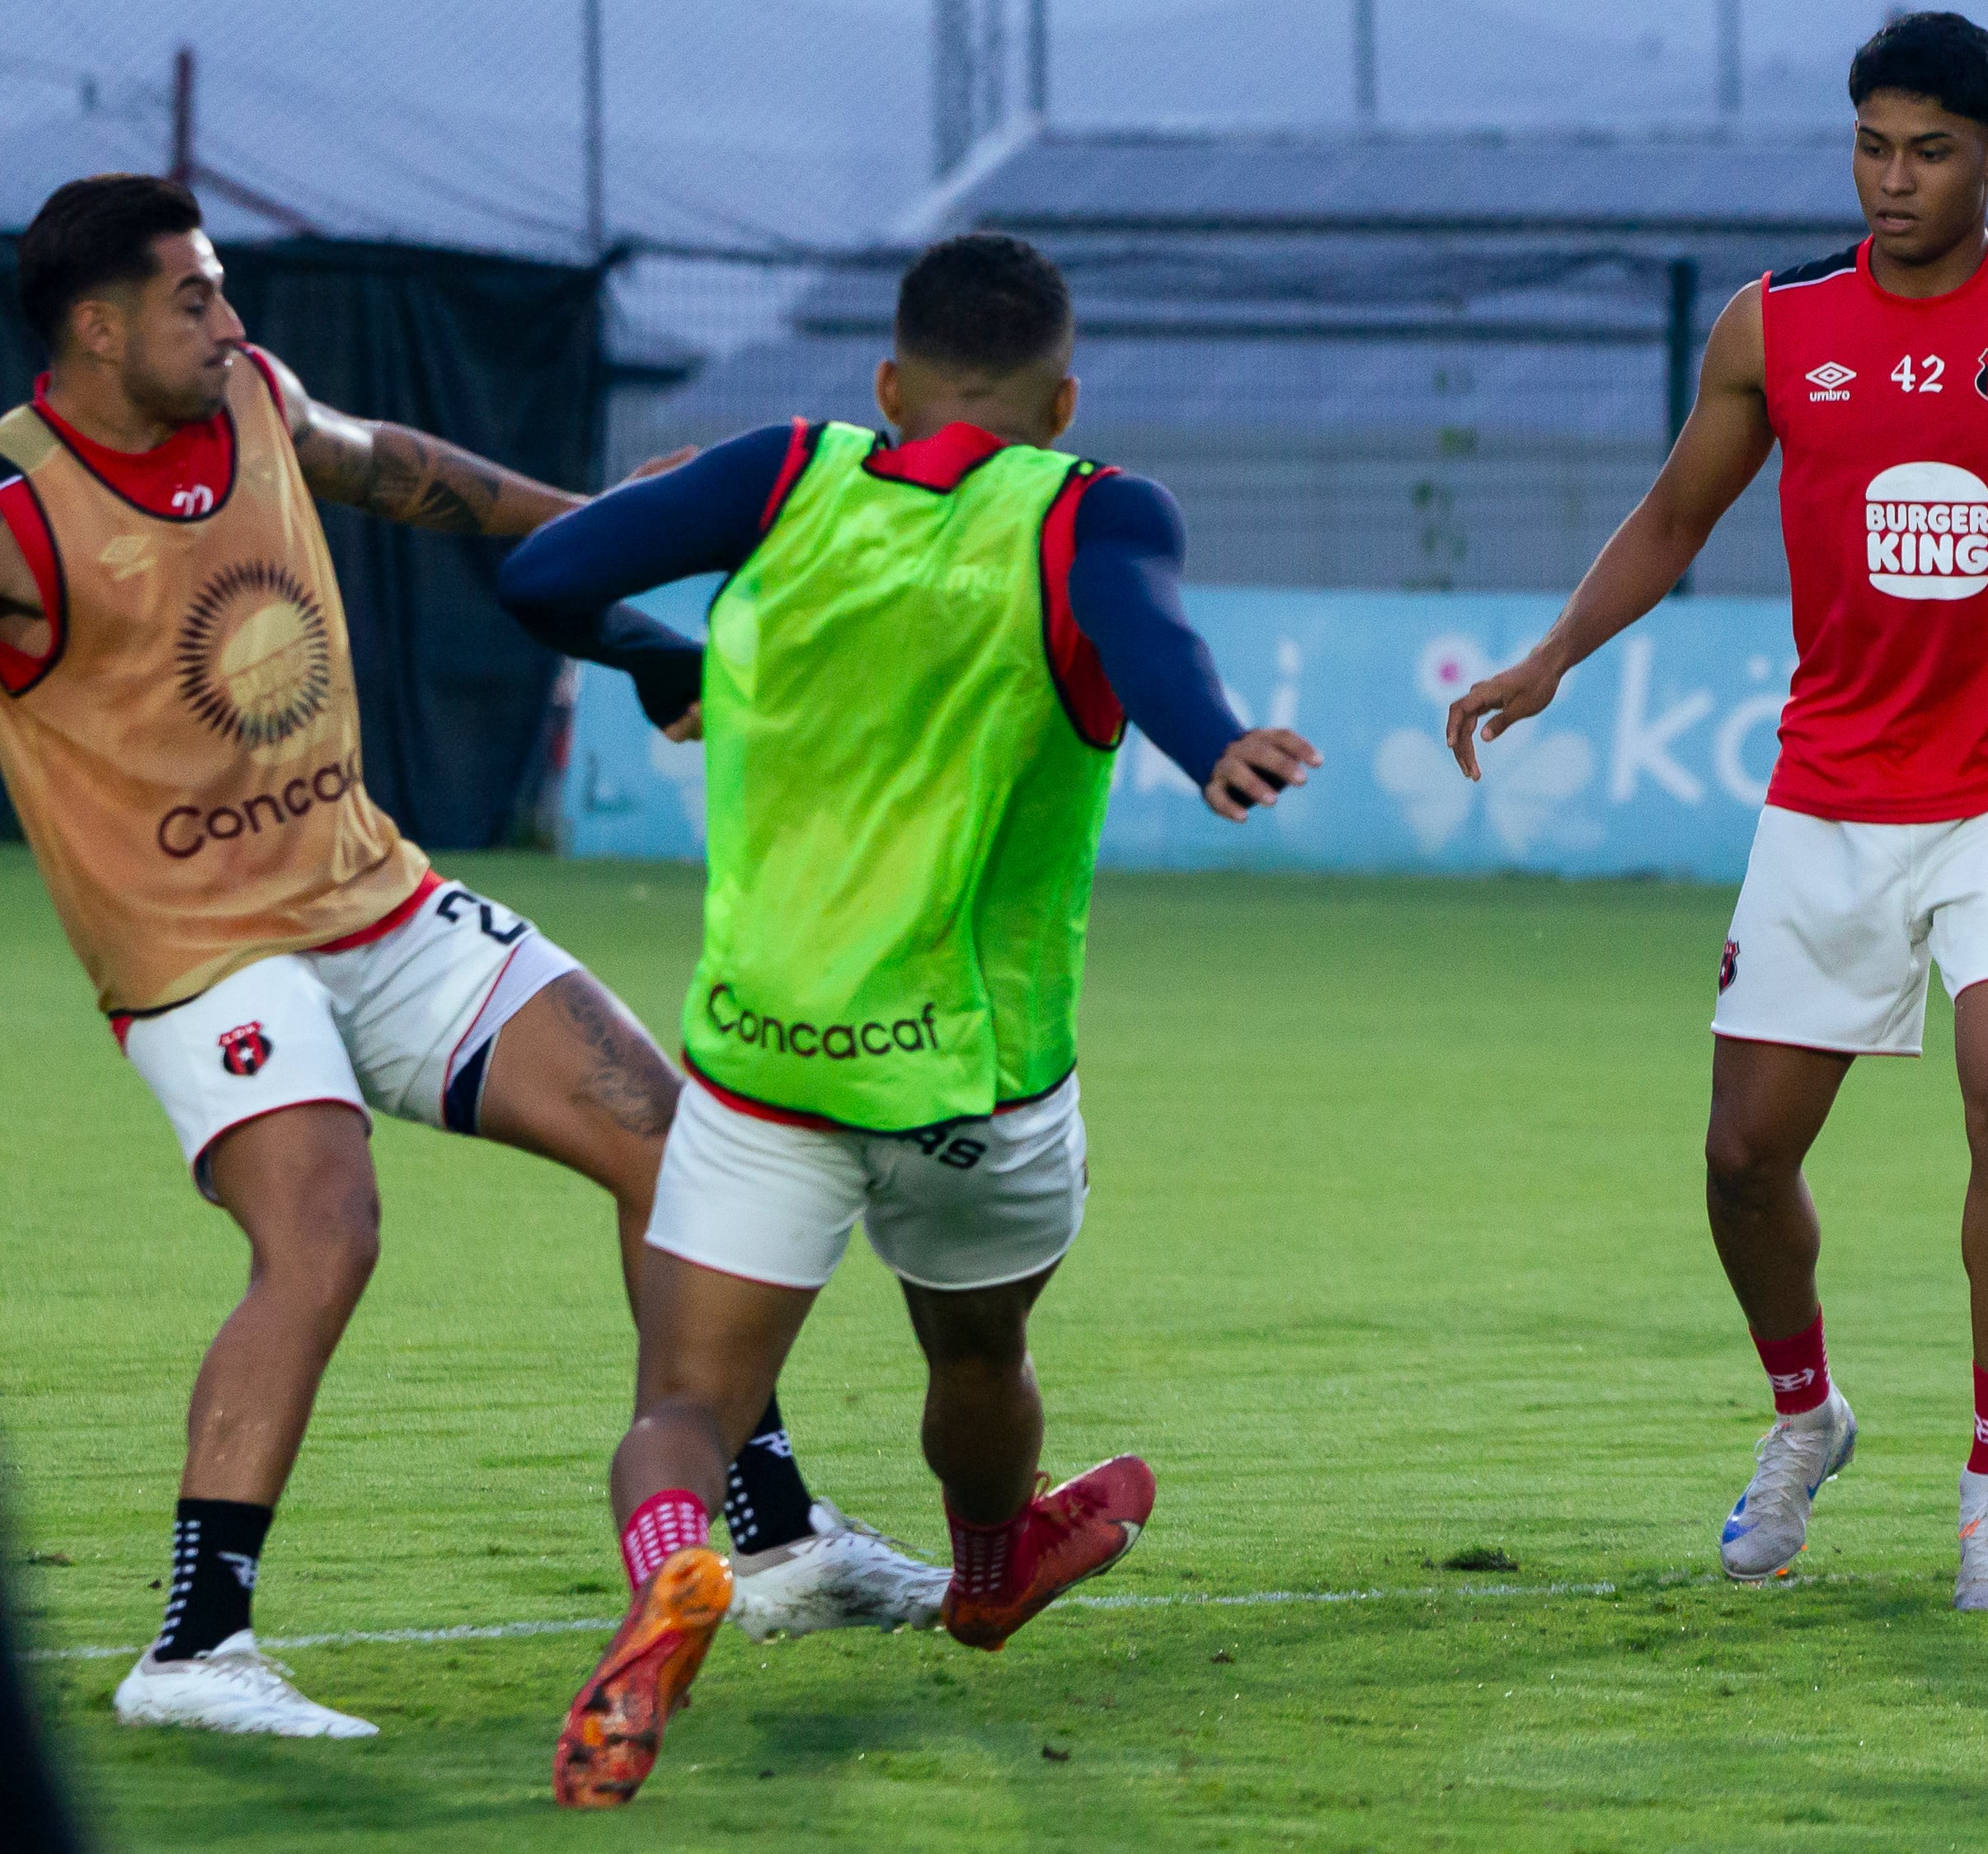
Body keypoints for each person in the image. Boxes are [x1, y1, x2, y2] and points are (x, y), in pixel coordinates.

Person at [0, 176, 942, 1740]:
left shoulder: (256, 405)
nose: (229, 321)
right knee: (325, 1230)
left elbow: (413, 473)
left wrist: (618, 571)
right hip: (201, 962)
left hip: (377, 903)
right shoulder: (22, 518)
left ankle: (775, 1545)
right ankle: (195, 1650)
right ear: (95, 329)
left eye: (224, 292)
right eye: (193, 299)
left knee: (678, 1143)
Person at [496, 231, 1320, 1807]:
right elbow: (1148, 635)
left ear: (888, 381)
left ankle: (677, 1571)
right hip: (977, 1086)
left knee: (685, 1403)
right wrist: (1212, 741)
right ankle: (994, 1566)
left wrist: (662, 653)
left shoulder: (784, 469)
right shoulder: (1092, 506)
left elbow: (545, 572)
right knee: (981, 1347)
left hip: (765, 1060)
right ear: (1061, 398)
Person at [1443, 14, 1988, 1608]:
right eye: (1873, 145)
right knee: (1745, 1159)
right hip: (1831, 790)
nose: (1895, 179)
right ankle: (1807, 1419)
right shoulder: (1776, 326)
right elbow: (1678, 514)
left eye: (1930, 150)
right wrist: (1548, 657)